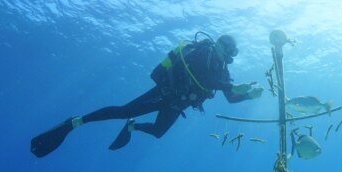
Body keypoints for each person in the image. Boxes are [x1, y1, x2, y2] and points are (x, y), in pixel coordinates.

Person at [30, 33, 263, 157]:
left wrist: (249, 95)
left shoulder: (223, 70)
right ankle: (75, 122)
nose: (230, 54)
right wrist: (234, 86)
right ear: (218, 44)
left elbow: (231, 97)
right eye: (227, 48)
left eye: (234, 51)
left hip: (176, 105)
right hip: (164, 93)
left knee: (158, 132)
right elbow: (205, 79)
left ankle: (133, 127)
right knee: (123, 111)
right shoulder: (204, 52)